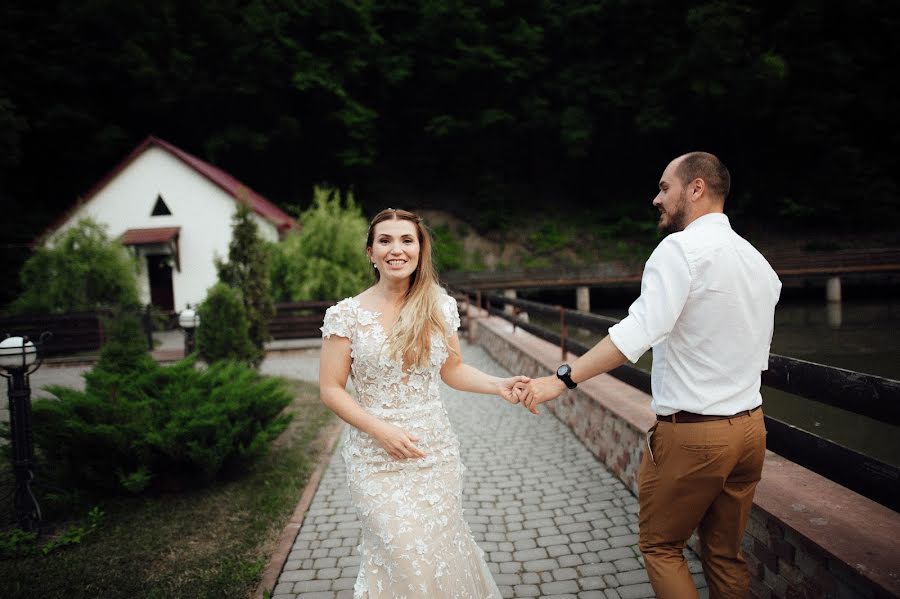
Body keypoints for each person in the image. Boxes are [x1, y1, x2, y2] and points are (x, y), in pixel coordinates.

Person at [518, 152, 782, 599]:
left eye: (664, 187)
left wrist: (560, 379)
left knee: (660, 546)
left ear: (696, 188)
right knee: (724, 554)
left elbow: (634, 334)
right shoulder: (756, 260)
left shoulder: (679, 250)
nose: (656, 198)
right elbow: (758, 353)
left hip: (695, 435)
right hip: (751, 431)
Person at [319, 208, 529, 598]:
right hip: (375, 459)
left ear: (420, 249)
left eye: (406, 240)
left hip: (434, 455)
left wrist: (498, 384)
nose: (396, 249)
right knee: (402, 555)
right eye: (385, 240)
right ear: (370, 252)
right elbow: (331, 389)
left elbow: (454, 369)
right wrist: (378, 429)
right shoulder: (345, 315)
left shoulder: (439, 305)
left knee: (437, 554)